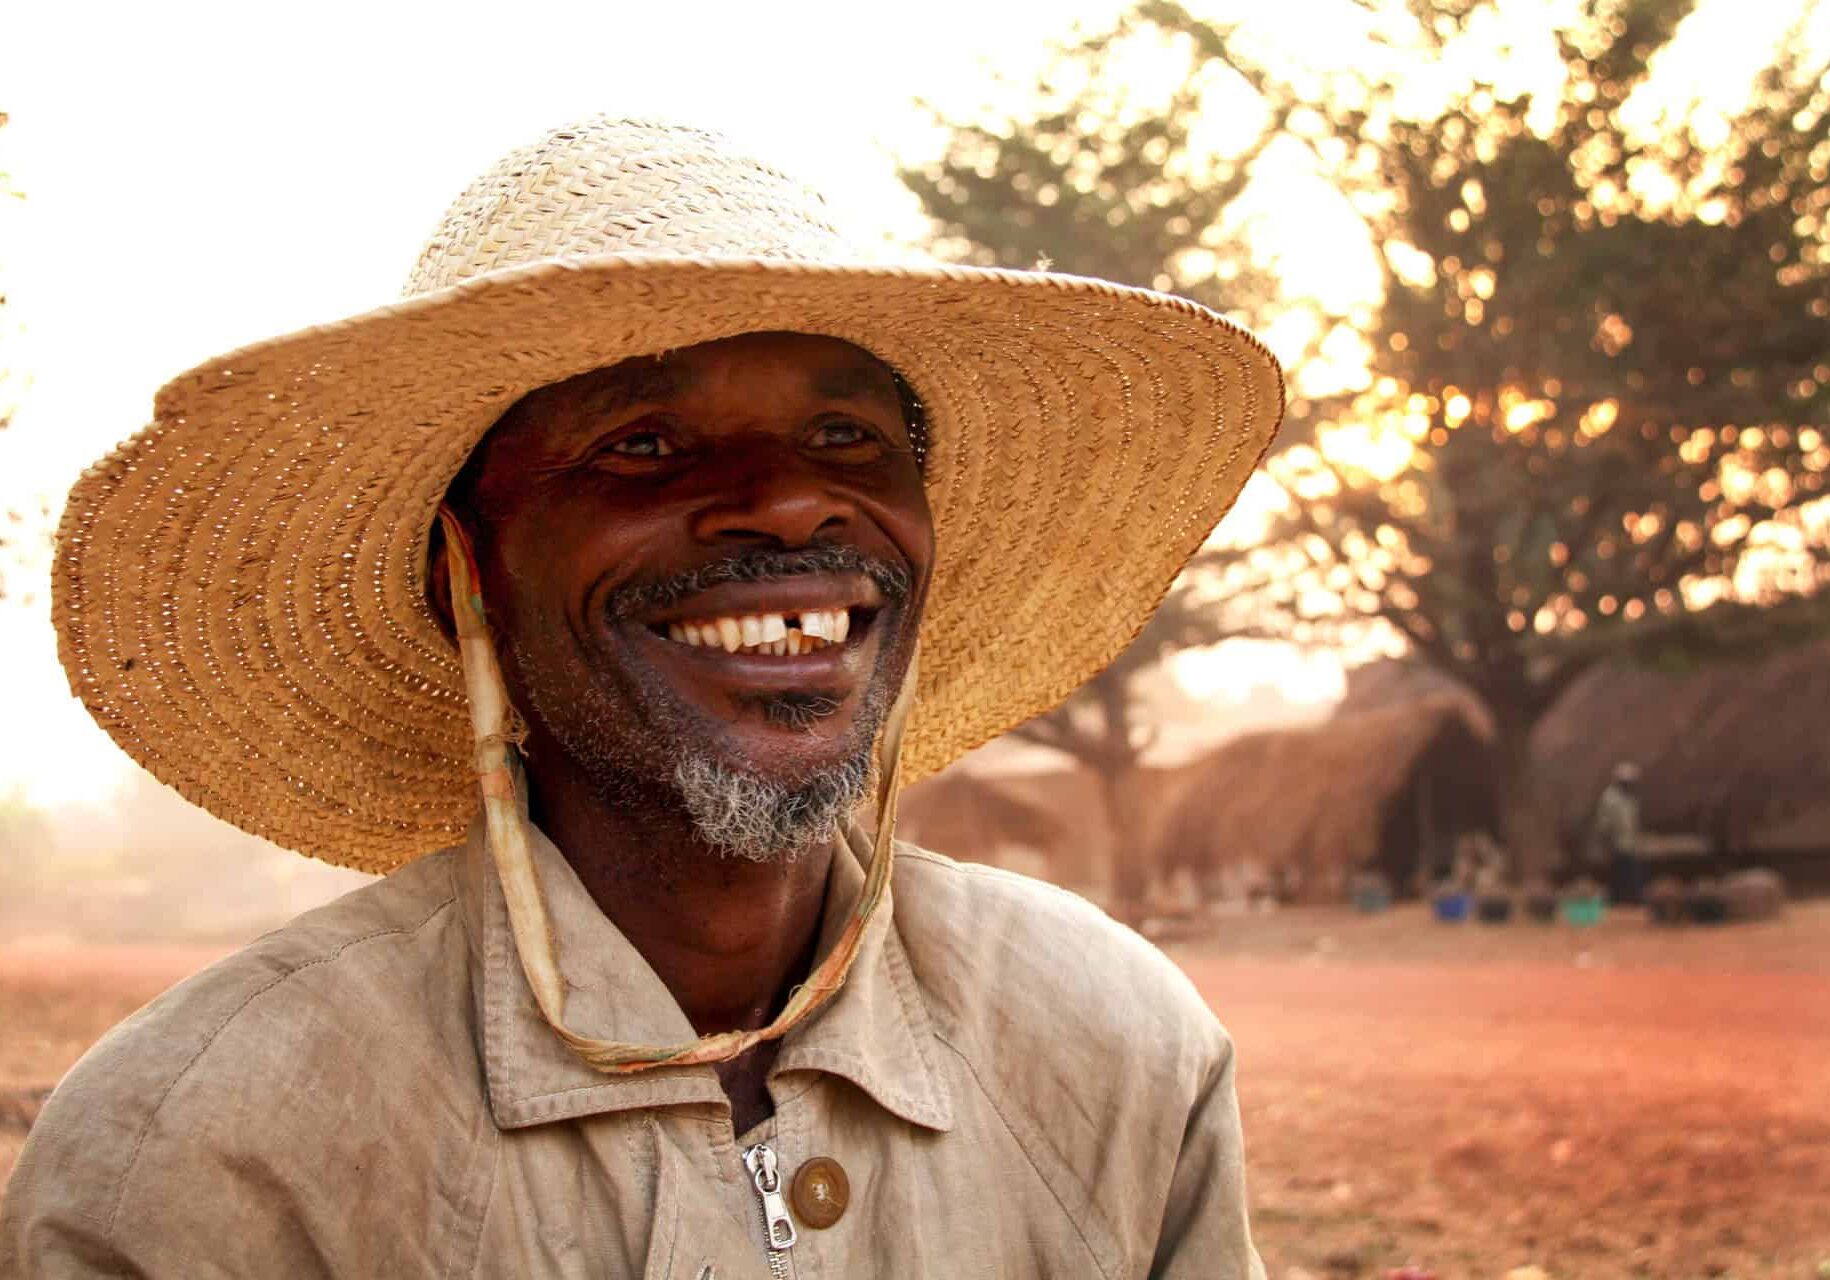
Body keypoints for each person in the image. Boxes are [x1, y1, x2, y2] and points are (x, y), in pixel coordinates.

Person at [0, 118, 1284, 1277]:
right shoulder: (211, 1154)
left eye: (845, 436)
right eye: (644, 444)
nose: (789, 502)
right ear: (469, 574)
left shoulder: (1117, 1048)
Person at [1589, 761, 1644, 904]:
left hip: (1629, 844)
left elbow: (1632, 824)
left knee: (1628, 874)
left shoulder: (1630, 799)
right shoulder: (1610, 798)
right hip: (1616, 845)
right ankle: (1617, 902)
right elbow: (1604, 823)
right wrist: (1606, 843)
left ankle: (1627, 901)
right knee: (1620, 875)